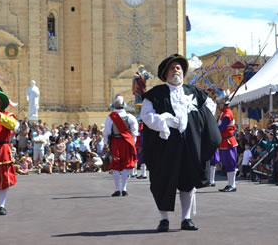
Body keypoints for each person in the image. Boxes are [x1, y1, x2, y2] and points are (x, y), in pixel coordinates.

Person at [141, 54, 221, 232]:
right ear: (165, 73)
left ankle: (186, 218)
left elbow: (210, 108)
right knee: (163, 181)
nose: (176, 69)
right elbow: (146, 116)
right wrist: (163, 121)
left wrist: (196, 118)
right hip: (165, 146)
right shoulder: (154, 94)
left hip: (189, 145)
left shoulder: (195, 92)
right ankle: (164, 219)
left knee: (188, 181)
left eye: (178, 67)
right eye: (172, 67)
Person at [102, 94, 139, 197]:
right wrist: (133, 144)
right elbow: (134, 132)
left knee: (116, 165)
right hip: (127, 143)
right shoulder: (130, 117)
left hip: (116, 143)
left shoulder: (110, 117)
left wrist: (106, 143)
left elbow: (107, 132)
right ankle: (124, 189)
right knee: (126, 165)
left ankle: (117, 189)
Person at [216, 97, 239, 192]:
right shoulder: (223, 113)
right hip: (224, 141)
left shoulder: (227, 113)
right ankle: (229, 183)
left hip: (228, 141)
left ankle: (232, 184)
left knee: (230, 163)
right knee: (226, 163)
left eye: (219, 104)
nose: (218, 105)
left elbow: (222, 127)